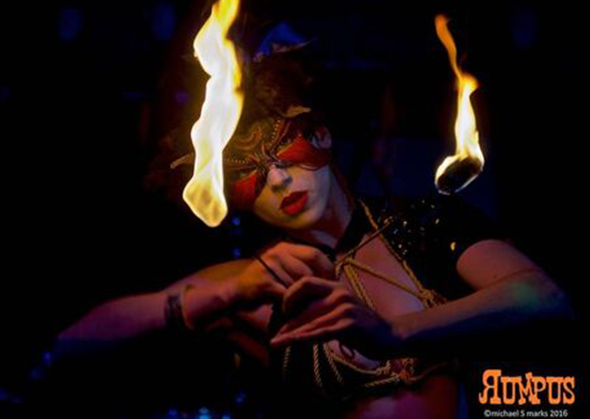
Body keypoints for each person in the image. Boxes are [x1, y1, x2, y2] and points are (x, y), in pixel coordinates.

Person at [53, 49, 574, 419]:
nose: (279, 180)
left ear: (321, 135)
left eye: (283, 153)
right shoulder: (257, 283)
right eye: (252, 175)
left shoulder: (424, 225)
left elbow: (543, 297)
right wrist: (223, 295)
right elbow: (74, 342)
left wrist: (396, 333)